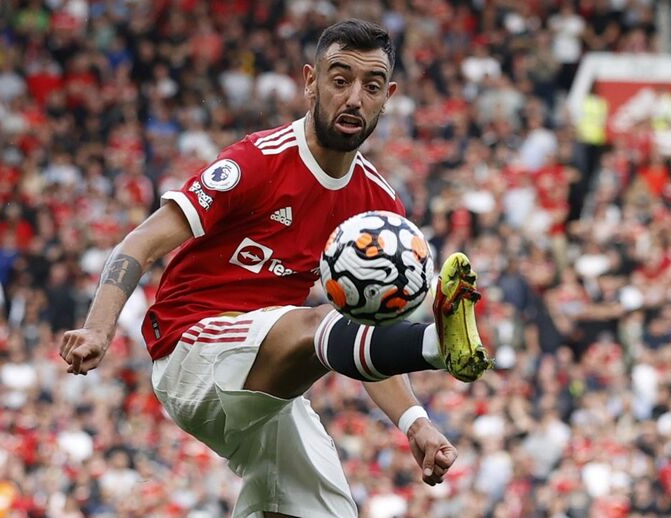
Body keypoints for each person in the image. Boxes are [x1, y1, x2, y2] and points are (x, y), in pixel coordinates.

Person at [59, 19, 492, 518]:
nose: (354, 98)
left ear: (388, 97)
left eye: (372, 86)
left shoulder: (378, 207)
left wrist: (415, 421)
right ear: (310, 82)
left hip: (269, 381)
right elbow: (140, 241)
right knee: (317, 322)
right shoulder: (257, 162)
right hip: (191, 348)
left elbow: (361, 337)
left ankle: (433, 345)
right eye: (340, 80)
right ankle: (434, 345)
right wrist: (99, 329)